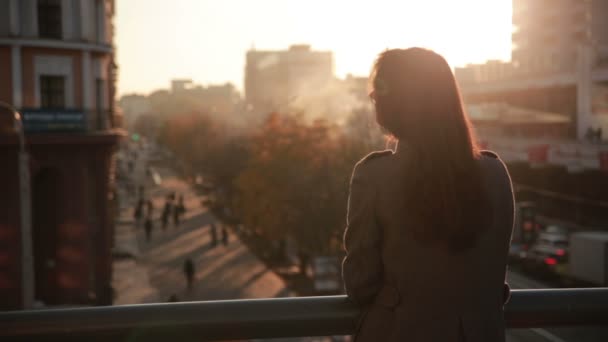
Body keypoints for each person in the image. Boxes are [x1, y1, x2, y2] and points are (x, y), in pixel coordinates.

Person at [341, 48, 514, 342]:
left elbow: (360, 284)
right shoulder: (495, 174)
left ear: (396, 103)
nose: (374, 98)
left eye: (378, 91)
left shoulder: (374, 176)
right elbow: (494, 281)